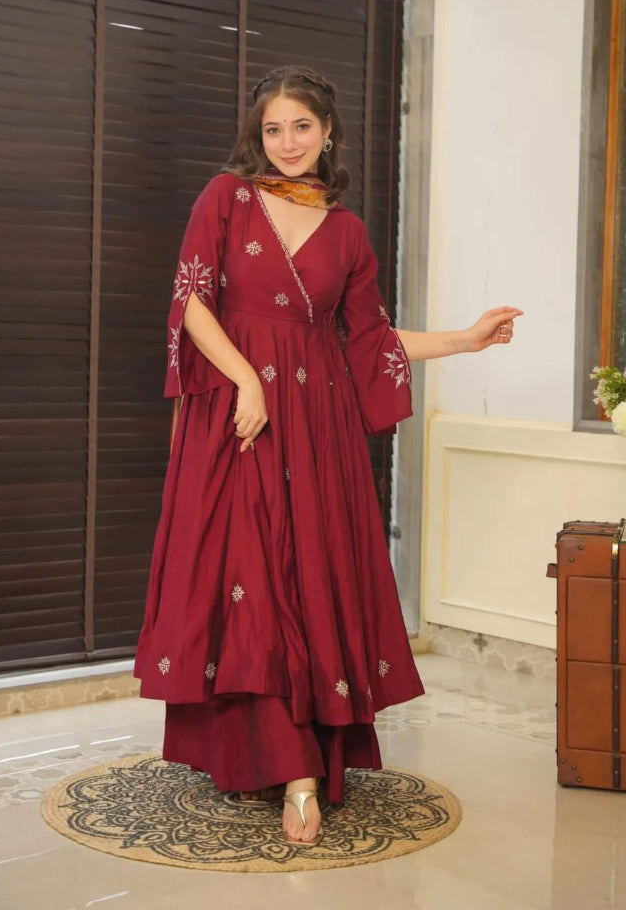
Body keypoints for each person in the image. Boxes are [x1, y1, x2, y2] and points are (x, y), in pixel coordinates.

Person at [134, 65, 522, 847]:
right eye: (272, 129)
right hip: (238, 422)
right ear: (258, 134)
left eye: (300, 127)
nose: (285, 143)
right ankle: (285, 766)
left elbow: (370, 341)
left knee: (306, 587)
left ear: (328, 133)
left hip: (316, 432)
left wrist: (466, 339)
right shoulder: (226, 199)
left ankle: (303, 766)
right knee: (249, 583)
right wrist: (245, 379)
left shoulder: (346, 232)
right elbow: (192, 304)